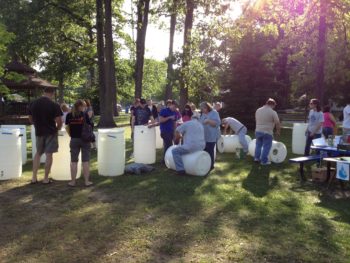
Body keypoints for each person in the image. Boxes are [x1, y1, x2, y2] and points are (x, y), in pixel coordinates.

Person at [28, 87, 63, 184]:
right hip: (51, 132)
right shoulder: (54, 105)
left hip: (39, 132)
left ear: (44, 92)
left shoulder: (33, 103)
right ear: (52, 93)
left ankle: (34, 178)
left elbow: (30, 119)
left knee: (38, 154)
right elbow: (59, 121)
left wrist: (36, 125)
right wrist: (58, 129)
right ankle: (45, 179)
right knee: (49, 155)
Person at [65, 100, 93, 187]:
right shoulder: (84, 115)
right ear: (79, 106)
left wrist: (71, 135)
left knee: (73, 161)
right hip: (85, 140)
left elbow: (67, 127)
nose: (85, 108)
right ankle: (86, 182)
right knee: (85, 161)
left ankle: (73, 182)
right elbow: (90, 125)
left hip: (74, 139)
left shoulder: (69, 115)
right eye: (84, 106)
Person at [254, 98, 281, 165]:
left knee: (258, 145)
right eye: (274, 106)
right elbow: (277, 123)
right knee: (266, 146)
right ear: (272, 104)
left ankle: (256, 158)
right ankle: (264, 161)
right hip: (267, 132)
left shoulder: (258, 110)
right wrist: (278, 131)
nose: (274, 107)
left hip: (258, 130)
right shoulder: (272, 112)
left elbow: (256, 120)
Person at [200, 102, 221, 170]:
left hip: (212, 135)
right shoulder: (202, 114)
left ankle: (211, 165)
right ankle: (205, 163)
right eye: (201, 108)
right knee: (205, 150)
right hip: (204, 136)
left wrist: (208, 121)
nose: (202, 110)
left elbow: (217, 123)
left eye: (203, 108)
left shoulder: (214, 113)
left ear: (207, 107)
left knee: (210, 150)